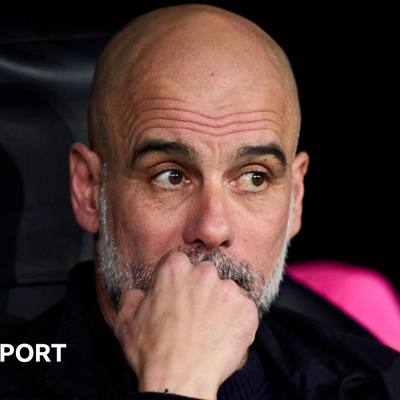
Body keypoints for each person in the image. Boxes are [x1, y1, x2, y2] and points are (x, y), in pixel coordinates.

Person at [0, 4, 399, 400]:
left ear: (295, 198)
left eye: (254, 178)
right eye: (171, 176)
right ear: (90, 190)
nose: (212, 228)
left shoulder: (376, 385)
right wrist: (178, 385)